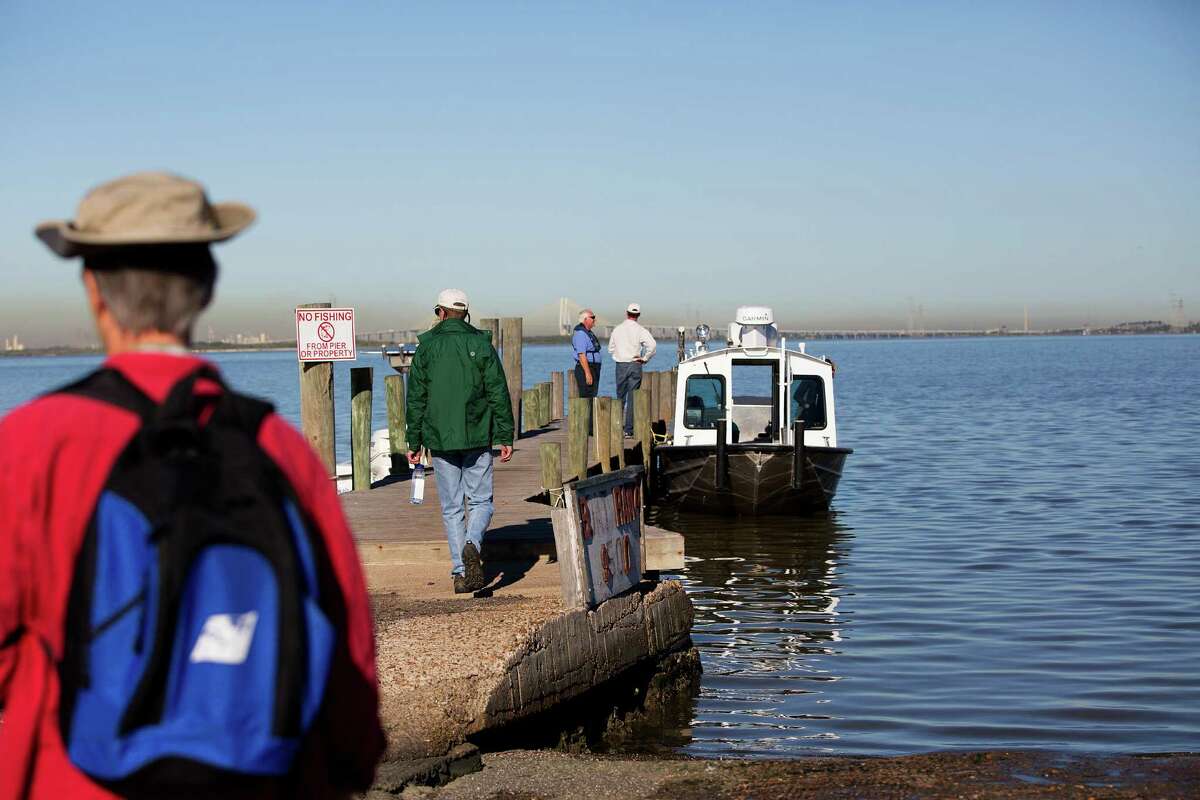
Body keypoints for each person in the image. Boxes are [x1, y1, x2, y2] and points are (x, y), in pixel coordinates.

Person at [0, 172, 384, 799]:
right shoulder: (278, 449)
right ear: (206, 287)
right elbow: (349, 667)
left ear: (93, 290)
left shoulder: (29, 446)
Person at [405, 289, 514, 595]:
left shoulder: (426, 349)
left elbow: (416, 399)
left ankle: (460, 572)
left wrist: (413, 440)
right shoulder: (480, 345)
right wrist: (505, 434)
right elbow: (498, 393)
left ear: (440, 312)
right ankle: (472, 544)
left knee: (452, 508)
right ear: (466, 314)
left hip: (439, 440)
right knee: (481, 501)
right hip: (477, 436)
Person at [607, 302, 657, 436]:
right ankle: (628, 430)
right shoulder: (640, 330)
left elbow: (610, 349)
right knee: (633, 397)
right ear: (638, 315)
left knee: (620, 397)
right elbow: (652, 346)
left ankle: (617, 427)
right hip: (635, 364)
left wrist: (619, 355)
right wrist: (645, 358)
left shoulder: (617, 329)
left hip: (621, 365)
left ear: (626, 313)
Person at [571, 308, 602, 425]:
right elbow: (581, 355)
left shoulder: (587, 332)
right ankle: (587, 427)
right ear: (585, 319)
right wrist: (587, 373)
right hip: (587, 368)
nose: (595, 320)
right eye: (592, 317)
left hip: (593, 367)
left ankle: (590, 425)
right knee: (586, 398)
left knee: (592, 396)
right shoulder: (580, 334)